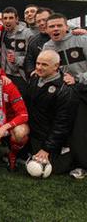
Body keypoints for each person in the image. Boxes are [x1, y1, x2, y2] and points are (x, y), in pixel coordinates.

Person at [42, 13, 87, 178]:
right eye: (52, 26)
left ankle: (81, 165)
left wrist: (77, 79)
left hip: (83, 88)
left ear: (66, 26)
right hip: (68, 94)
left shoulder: (82, 40)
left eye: (59, 25)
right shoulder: (47, 47)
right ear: (46, 29)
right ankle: (73, 161)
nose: (55, 29)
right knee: (72, 128)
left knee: (80, 128)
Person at [25, 50, 75, 174]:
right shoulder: (34, 78)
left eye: (44, 65)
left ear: (56, 66)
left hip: (50, 138)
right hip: (33, 133)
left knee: (56, 169)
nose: (39, 68)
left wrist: (46, 149)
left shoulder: (65, 90)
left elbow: (62, 124)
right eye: (37, 63)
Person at [0, 6, 34, 95]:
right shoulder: (3, 33)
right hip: (6, 76)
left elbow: (34, 56)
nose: (7, 21)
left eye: (11, 18)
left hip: (22, 76)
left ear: (17, 19)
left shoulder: (27, 33)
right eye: (5, 18)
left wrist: (17, 59)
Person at [23, 7, 53, 77]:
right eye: (39, 21)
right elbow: (28, 61)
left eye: (45, 20)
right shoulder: (33, 41)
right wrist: (33, 74)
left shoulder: (67, 35)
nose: (42, 23)